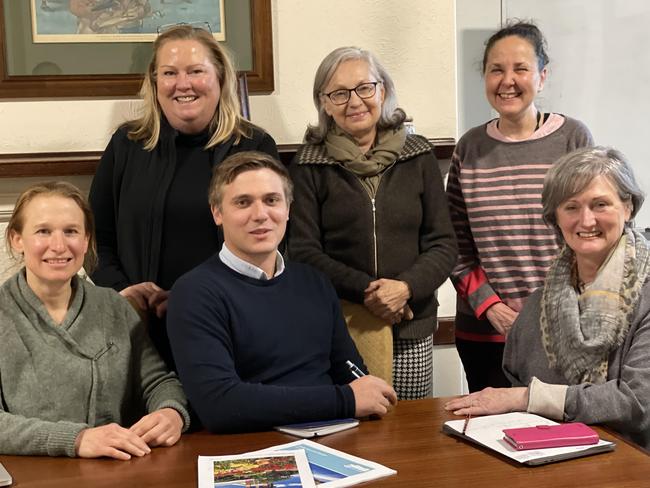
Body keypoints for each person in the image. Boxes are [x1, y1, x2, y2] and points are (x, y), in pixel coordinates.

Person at [89, 24, 278, 369]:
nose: (183, 84)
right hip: (138, 331)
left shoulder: (253, 146)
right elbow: (95, 236)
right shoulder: (126, 145)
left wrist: (195, 298)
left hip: (228, 328)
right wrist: (122, 292)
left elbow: (271, 244)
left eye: (196, 71)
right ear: (155, 83)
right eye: (169, 73)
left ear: (220, 78)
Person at [167, 151, 397, 433]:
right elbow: (220, 405)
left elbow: (349, 371)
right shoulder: (194, 293)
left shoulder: (314, 282)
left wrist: (363, 392)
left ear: (288, 209)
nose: (260, 215)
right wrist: (345, 400)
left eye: (271, 200)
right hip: (250, 447)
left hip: (338, 435)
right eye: (243, 202)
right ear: (217, 212)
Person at [445, 146, 650, 450]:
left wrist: (530, 398)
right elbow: (516, 378)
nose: (586, 220)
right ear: (555, 217)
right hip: (551, 457)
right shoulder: (540, 303)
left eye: (600, 204)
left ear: (628, 208)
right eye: (571, 207)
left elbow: (638, 403)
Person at [288, 46, 457, 400]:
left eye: (365, 87)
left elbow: (443, 243)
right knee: (352, 434)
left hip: (412, 321)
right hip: (342, 328)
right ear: (324, 103)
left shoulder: (419, 155)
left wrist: (405, 289)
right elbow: (303, 251)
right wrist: (371, 292)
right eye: (339, 93)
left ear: (382, 90)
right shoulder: (308, 165)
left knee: (410, 435)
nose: (355, 101)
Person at [446, 21, 593, 392]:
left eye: (520, 68)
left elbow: (592, 234)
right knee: (488, 440)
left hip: (561, 329)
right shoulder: (469, 148)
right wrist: (490, 306)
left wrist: (551, 310)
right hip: (486, 332)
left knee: (561, 439)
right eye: (496, 69)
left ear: (541, 76)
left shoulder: (572, 138)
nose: (507, 80)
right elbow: (454, 244)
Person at [0, 182, 190, 459]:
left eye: (71, 231)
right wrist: (76, 439)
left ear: (86, 240)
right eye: (43, 231)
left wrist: (171, 411)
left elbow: (157, 381)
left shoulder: (114, 306)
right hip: (33, 474)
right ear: (17, 239)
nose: (58, 245)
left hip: (119, 468)